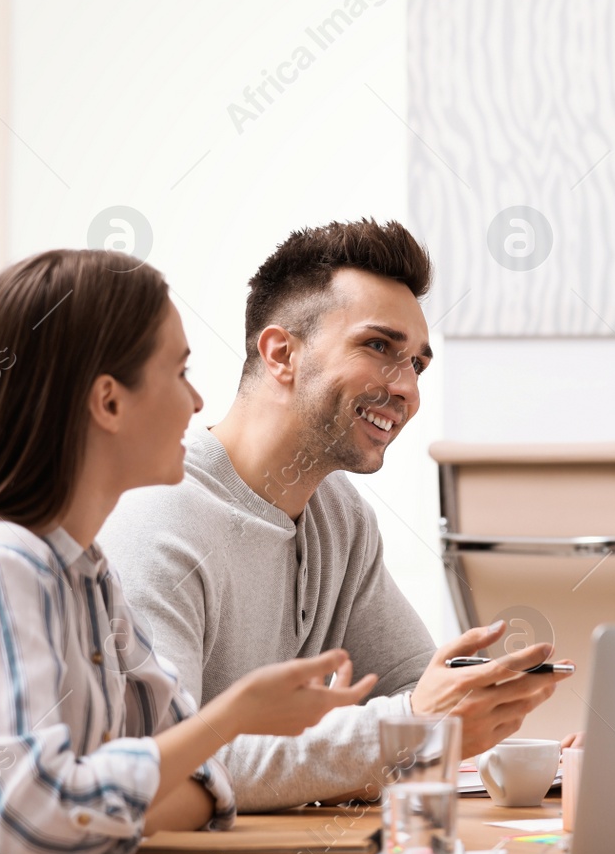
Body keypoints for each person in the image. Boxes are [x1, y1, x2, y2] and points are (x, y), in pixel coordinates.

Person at [0, 250, 373, 854]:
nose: (197, 400)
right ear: (108, 399)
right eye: (180, 370)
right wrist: (231, 717)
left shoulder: (89, 574)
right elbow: (39, 827)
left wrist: (116, 796)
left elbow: (204, 781)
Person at [99, 219, 570, 812]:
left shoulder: (339, 517)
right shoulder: (158, 521)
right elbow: (165, 763)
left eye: (418, 365)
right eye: (378, 347)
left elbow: (412, 693)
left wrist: (524, 751)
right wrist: (410, 729)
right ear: (281, 353)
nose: (407, 390)